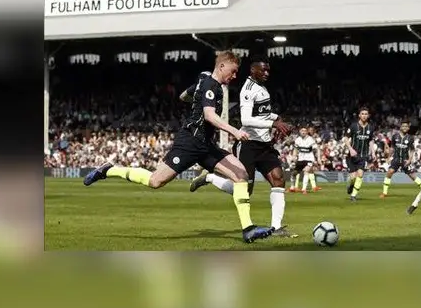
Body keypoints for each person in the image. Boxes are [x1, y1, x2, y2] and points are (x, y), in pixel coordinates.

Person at [83, 51, 274, 243]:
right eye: (232, 72)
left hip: (206, 145)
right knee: (155, 182)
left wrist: (195, 99)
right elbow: (209, 115)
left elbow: (183, 96)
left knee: (241, 175)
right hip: (189, 143)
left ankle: (248, 229)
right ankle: (109, 169)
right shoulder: (210, 85)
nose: (234, 77)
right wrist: (234, 131)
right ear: (222, 66)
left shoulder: (204, 80)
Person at [189, 55, 295, 237]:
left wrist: (276, 118)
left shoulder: (261, 87)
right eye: (263, 70)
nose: (267, 73)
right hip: (248, 145)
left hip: (264, 145)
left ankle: (276, 227)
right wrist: (273, 124)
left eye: (268, 70)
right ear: (253, 71)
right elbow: (246, 119)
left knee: (278, 179)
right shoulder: (248, 89)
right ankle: (211, 178)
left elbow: (262, 114)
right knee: (245, 189)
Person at [381, 120, 421, 198]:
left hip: (405, 160)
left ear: (408, 128)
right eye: (403, 126)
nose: (404, 128)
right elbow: (392, 148)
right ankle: (384, 193)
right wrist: (388, 157)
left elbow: (412, 150)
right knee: (389, 172)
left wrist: (409, 160)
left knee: (412, 176)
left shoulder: (410, 138)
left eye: (406, 126)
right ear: (400, 127)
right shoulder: (395, 136)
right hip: (396, 159)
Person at [342, 107, 375, 202]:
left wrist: (373, 152)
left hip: (363, 156)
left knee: (360, 175)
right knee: (353, 178)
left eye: (366, 114)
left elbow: (371, 140)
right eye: (362, 114)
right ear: (359, 115)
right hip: (352, 156)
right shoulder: (353, 126)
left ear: (368, 116)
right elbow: (346, 138)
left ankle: (353, 195)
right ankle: (351, 185)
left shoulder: (371, 127)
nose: (364, 115)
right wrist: (351, 149)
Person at [291, 126, 321, 193]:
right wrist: (294, 156)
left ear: (307, 132)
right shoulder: (297, 140)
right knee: (294, 173)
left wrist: (318, 158)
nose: (303, 132)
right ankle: (292, 187)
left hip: (309, 159)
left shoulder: (310, 139)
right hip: (300, 159)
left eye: (305, 131)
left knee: (306, 171)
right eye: (302, 131)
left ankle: (304, 189)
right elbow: (295, 149)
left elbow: (317, 149)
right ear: (299, 132)